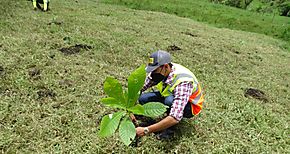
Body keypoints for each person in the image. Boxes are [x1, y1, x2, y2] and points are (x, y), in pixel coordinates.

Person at [135, 50, 204, 139]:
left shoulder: (183, 81)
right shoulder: (160, 71)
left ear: (166, 66)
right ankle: (149, 116)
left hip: (190, 106)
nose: (153, 73)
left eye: (155, 70)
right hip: (168, 95)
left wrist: (146, 130)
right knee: (143, 98)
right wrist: (131, 107)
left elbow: (175, 117)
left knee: (169, 101)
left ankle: (169, 130)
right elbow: (141, 87)